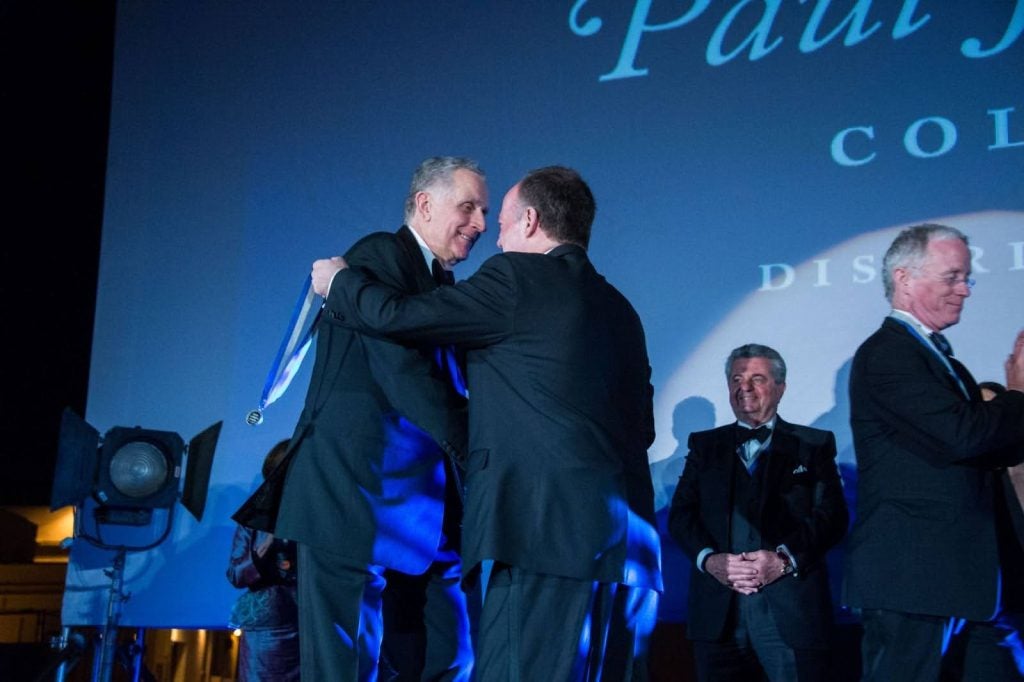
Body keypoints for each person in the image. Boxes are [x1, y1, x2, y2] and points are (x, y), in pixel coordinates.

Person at [317, 166, 663, 679]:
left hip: (542, 543)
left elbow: (399, 318)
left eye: (499, 221)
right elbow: (644, 429)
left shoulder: (516, 278)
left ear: (528, 221)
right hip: (631, 559)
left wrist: (340, 283)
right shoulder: (621, 309)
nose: (491, 235)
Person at [233, 156, 488, 681]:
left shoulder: (441, 281)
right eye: (468, 207)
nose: (480, 223)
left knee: (452, 657)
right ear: (424, 204)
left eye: (484, 211)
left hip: (418, 507)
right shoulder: (377, 255)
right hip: (352, 497)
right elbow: (402, 372)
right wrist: (480, 451)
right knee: (345, 666)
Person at [843, 223, 1024, 680]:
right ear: (904, 278)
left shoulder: (944, 361)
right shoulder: (887, 353)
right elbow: (962, 435)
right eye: (952, 277)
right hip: (914, 581)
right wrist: (1018, 393)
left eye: (967, 278)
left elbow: (987, 448)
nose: (964, 290)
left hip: (964, 581)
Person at [668, 343, 848, 681]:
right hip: (718, 618)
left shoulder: (814, 444)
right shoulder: (704, 446)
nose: (744, 387)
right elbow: (682, 515)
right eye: (737, 378)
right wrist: (710, 560)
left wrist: (783, 560)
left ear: (780, 387)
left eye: (757, 378)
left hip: (791, 615)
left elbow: (832, 516)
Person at [228, 439, 300, 682]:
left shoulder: (316, 513)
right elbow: (236, 574)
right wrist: (265, 545)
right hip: (268, 629)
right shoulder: (254, 518)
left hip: (310, 622)